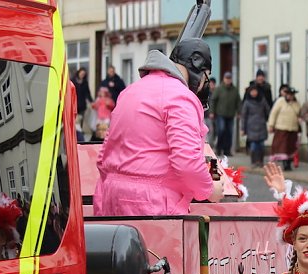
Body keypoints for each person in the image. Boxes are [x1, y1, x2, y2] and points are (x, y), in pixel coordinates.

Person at [93, 39, 224, 216]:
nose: (203, 85)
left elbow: (104, 156)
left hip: (112, 197)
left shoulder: (129, 91)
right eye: (205, 77)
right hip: (153, 204)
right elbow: (187, 161)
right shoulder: (180, 96)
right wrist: (210, 189)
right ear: (199, 70)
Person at [268, 86, 302, 171]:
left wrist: (300, 119)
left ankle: (289, 163)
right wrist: (271, 125)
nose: (290, 96)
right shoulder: (280, 101)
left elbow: (300, 113)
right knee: (283, 148)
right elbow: (273, 113)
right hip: (281, 128)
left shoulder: (296, 104)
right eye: (289, 94)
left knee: (290, 148)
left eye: (292, 95)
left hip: (293, 128)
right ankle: (285, 164)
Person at [210, 71, 241, 156]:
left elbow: (238, 102)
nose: (228, 80)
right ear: (223, 79)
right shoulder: (219, 89)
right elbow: (213, 100)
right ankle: (219, 149)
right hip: (220, 114)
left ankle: (227, 150)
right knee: (221, 130)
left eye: (229, 78)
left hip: (231, 115)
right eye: (226, 78)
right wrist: (212, 112)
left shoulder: (234, 90)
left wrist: (239, 112)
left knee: (229, 133)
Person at [240, 85, 269, 167]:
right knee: (253, 147)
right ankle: (254, 161)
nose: (253, 93)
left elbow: (267, 111)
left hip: (261, 126)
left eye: (255, 91)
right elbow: (244, 116)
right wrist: (243, 129)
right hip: (251, 127)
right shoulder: (247, 102)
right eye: (252, 91)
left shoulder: (262, 100)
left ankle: (260, 161)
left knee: (261, 146)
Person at [72, 67, 93, 133]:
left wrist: (91, 101)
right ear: (79, 73)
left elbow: (87, 93)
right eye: (81, 73)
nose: (82, 75)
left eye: (83, 74)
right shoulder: (73, 81)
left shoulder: (85, 82)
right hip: (74, 103)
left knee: (81, 119)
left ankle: (79, 131)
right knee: (74, 119)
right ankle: (74, 131)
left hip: (82, 104)